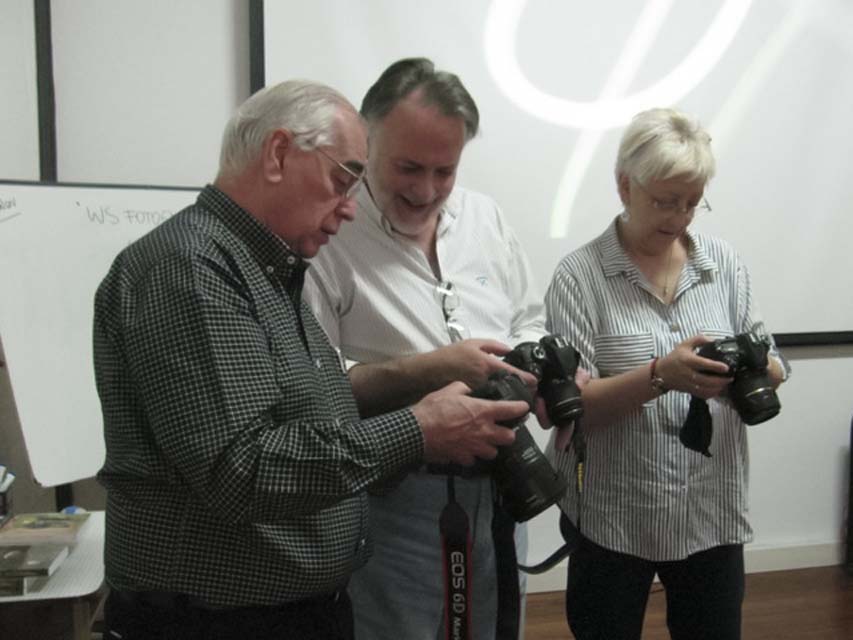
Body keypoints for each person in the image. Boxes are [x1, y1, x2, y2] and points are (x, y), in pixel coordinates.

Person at [92, 79, 529, 640]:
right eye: (342, 180)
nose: (349, 208)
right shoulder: (191, 269)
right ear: (278, 154)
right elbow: (243, 471)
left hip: (287, 611)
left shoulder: (267, 269)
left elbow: (314, 420)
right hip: (217, 622)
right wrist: (419, 429)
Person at [303, 58, 548, 640]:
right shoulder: (328, 232)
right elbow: (316, 384)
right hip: (390, 498)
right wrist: (432, 370)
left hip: (501, 486)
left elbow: (529, 319)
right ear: (365, 141)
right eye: (408, 167)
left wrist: (533, 363)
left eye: (446, 170)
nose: (426, 190)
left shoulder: (485, 217)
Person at [544, 107, 790, 640]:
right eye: (664, 201)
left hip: (710, 508)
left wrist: (753, 368)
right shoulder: (579, 277)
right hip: (612, 512)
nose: (679, 218)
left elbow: (772, 361)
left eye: (692, 203)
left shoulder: (723, 265)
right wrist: (660, 375)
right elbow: (572, 410)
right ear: (624, 185)